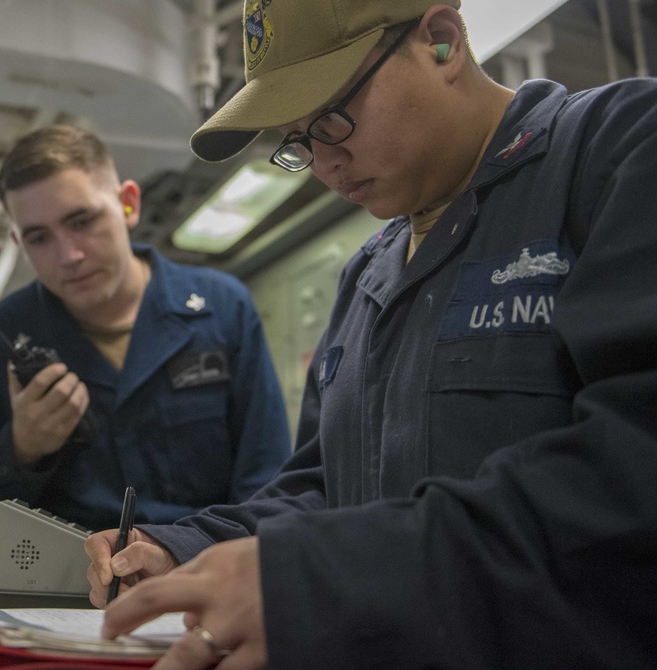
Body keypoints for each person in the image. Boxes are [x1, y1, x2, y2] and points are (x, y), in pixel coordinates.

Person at [85, 1, 657, 668]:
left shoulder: (618, 150)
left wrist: (330, 580)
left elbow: (635, 466)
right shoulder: (367, 277)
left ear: (440, 42)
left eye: (331, 117)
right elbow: (325, 488)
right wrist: (185, 548)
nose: (325, 163)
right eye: (298, 140)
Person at [0, 124, 291, 531]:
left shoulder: (223, 309)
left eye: (82, 221)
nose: (69, 255)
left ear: (128, 205)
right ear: (19, 244)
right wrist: (19, 448)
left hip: (203, 572)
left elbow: (268, 479)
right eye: (39, 238)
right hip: (56, 585)